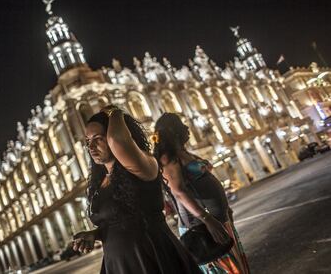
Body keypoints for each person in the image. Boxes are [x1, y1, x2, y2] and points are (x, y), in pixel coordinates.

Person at [73, 106, 200, 274]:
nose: (91, 146)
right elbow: (117, 223)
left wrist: (115, 112)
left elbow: (117, 140)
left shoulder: (142, 164)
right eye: (88, 141)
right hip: (119, 265)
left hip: (152, 257)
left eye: (98, 138)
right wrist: (94, 234)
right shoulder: (101, 180)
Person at [153, 113, 250, 274]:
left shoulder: (182, 152)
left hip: (217, 221)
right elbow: (179, 191)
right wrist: (207, 219)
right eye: (181, 124)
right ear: (173, 130)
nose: (186, 128)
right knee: (224, 270)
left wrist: (225, 210)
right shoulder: (167, 158)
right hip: (201, 226)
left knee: (237, 268)